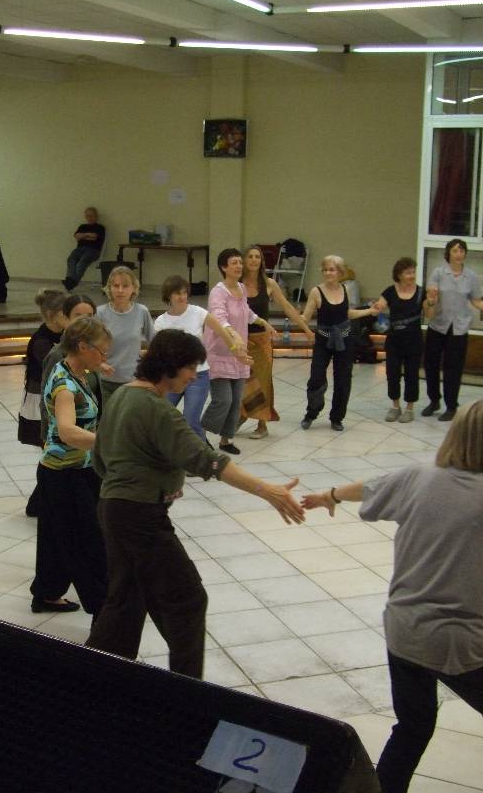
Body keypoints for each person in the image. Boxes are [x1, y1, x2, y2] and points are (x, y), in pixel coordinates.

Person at [86, 329, 304, 679]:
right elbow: (208, 460)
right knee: (187, 600)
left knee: (126, 601)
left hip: (113, 510)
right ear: (170, 365)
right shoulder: (159, 410)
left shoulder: (122, 396)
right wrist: (269, 491)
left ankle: (94, 677)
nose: (192, 375)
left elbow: (100, 459)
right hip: (141, 517)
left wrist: (157, 481)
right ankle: (187, 690)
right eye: (190, 367)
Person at [301, 400, 483, 793]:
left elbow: (369, 487)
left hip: (404, 630)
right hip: (459, 640)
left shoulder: (417, 477)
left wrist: (328, 496)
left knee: (413, 727)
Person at [30, 317, 111, 618]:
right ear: (82, 347)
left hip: (73, 470)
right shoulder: (64, 384)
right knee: (88, 542)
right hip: (64, 476)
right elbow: (66, 431)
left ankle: (47, 593)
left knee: (54, 536)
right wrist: (108, 443)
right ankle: (103, 608)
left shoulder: (78, 373)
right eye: (102, 351)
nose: (105, 357)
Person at [154, 274, 251, 440]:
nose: (182, 297)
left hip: (197, 375)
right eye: (177, 293)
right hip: (172, 377)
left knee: (191, 420)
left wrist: (236, 351)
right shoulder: (161, 322)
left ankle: (200, 454)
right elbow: (157, 352)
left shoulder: (198, 312)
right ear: (168, 296)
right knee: (161, 416)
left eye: (184, 293)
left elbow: (222, 330)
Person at [201, 248, 273, 455]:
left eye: (239, 263)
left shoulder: (241, 288)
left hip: (238, 355)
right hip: (220, 353)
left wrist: (261, 321)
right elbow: (220, 318)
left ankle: (226, 440)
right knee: (223, 400)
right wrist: (234, 335)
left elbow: (246, 312)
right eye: (234, 263)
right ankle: (198, 434)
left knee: (235, 401)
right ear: (224, 267)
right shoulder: (218, 292)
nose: (239, 266)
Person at [239, 245, 314, 439]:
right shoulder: (236, 284)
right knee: (242, 382)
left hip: (262, 341)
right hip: (240, 340)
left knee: (263, 382)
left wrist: (305, 329)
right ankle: (242, 414)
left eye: (258, 257)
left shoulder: (269, 283)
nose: (255, 260)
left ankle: (262, 424)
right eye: (251, 257)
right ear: (244, 261)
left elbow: (288, 308)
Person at [300, 255, 378, 432]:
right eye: (326, 269)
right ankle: (311, 413)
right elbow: (305, 317)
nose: (328, 272)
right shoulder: (316, 292)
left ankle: (337, 417)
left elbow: (348, 314)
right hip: (323, 340)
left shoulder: (345, 289)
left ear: (340, 272)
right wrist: (298, 320)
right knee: (316, 378)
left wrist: (369, 311)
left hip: (345, 340)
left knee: (343, 380)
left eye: (332, 269)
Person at [422, 238, 483, 422]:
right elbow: (431, 295)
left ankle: (451, 405)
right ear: (448, 253)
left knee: (453, 368)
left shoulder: (471, 276)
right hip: (438, 325)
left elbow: (476, 300)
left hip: (459, 328)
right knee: (431, 364)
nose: (459, 254)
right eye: (455, 250)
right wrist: (431, 299)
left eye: (462, 250)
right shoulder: (439, 273)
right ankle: (434, 401)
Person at [18, 289, 67, 517]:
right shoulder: (41, 341)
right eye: (64, 313)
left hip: (56, 398)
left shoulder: (64, 335)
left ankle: (42, 501)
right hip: (41, 403)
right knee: (51, 452)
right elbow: (58, 369)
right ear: (50, 314)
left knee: (55, 453)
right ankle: (38, 502)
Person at [40, 294, 113, 443]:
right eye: (78, 316)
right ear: (65, 319)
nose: (85, 321)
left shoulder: (87, 358)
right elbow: (47, 403)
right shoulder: (57, 357)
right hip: (67, 448)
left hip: (87, 441)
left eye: (90, 316)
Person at [372, 257, 430, 424]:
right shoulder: (390, 291)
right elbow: (380, 306)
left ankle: (410, 408)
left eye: (413, 272)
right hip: (394, 340)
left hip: (414, 340)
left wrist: (432, 302)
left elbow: (430, 315)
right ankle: (395, 406)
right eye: (408, 272)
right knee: (392, 374)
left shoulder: (421, 292)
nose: (412, 275)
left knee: (412, 375)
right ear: (399, 274)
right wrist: (377, 307)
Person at [96, 265, 154, 406]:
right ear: (109, 288)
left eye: (125, 286)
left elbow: (155, 342)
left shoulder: (142, 311)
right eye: (116, 286)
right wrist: (100, 364)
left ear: (134, 288)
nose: (120, 290)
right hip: (106, 382)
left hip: (134, 382)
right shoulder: (100, 313)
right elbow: (91, 345)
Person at [62, 206, 106, 291]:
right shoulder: (82, 226)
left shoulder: (100, 227)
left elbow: (94, 237)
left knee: (82, 262)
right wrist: (88, 235)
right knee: (71, 259)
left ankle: (71, 282)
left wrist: (83, 236)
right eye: (87, 216)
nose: (89, 218)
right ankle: (70, 281)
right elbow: (76, 236)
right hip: (80, 249)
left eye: (91, 216)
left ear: (96, 216)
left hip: (93, 250)